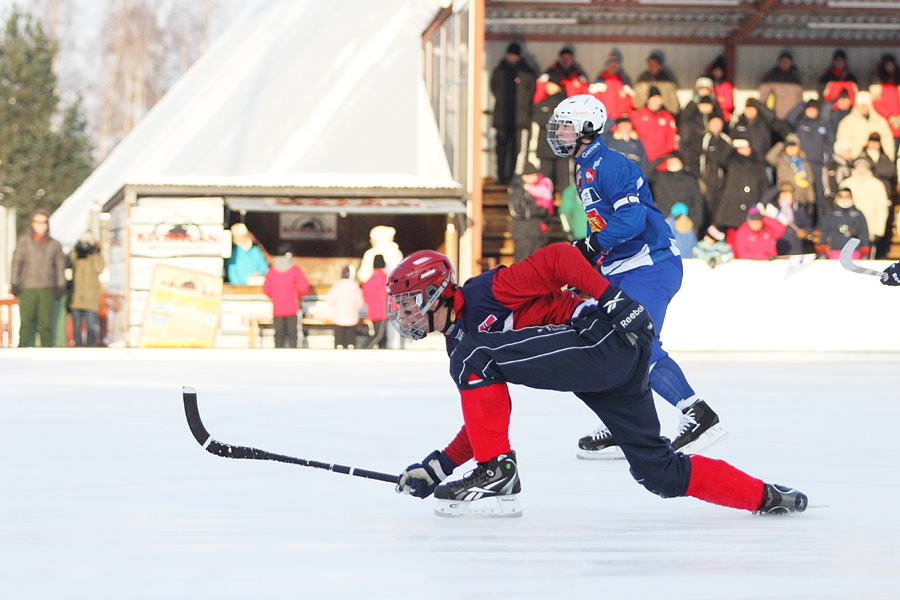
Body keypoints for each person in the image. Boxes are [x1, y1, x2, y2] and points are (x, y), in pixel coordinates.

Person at [388, 244, 807, 517]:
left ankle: (498, 473)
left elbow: (559, 259)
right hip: (613, 361)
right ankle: (767, 497)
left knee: (473, 355)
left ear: (438, 292)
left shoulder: (488, 293)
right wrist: (436, 468)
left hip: (605, 337)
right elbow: (484, 420)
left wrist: (616, 299)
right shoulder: (465, 350)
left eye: (407, 302)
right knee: (658, 473)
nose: (402, 313)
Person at [545, 95, 728, 459]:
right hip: (627, 268)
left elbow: (631, 220)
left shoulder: (612, 164)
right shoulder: (585, 168)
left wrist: (590, 245)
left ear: (587, 129)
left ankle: (698, 414)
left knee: (636, 343)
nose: (560, 132)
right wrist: (589, 262)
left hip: (651, 264)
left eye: (566, 125)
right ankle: (623, 425)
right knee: (608, 344)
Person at [10, 209, 66, 347]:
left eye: (44, 222)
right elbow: (16, 262)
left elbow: (60, 267)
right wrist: (14, 282)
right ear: (32, 224)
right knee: (26, 324)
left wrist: (60, 285)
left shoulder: (54, 245)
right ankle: (22, 352)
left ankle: (47, 353)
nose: (41, 225)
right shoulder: (24, 242)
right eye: (37, 222)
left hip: (47, 288)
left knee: (46, 324)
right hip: (28, 287)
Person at [490, 42, 537, 186]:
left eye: (513, 55)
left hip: (519, 118)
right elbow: (493, 87)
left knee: (516, 149)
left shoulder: (526, 71)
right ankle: (500, 176)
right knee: (501, 148)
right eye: (509, 54)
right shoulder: (500, 70)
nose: (510, 57)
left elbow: (532, 91)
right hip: (502, 117)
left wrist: (523, 105)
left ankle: (510, 175)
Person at [358, 225, 404, 349]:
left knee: (378, 330)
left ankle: (375, 349)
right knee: (393, 328)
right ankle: (394, 348)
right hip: (394, 299)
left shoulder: (371, 253)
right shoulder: (397, 253)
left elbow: (363, 276)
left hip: (377, 302)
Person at [529, 70, 570, 195]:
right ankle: (545, 207)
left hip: (564, 147)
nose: (547, 87)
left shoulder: (566, 102)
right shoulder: (543, 103)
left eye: (550, 84)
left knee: (564, 181)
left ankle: (565, 209)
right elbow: (537, 118)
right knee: (545, 181)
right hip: (545, 148)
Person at [840, 159, 892, 257]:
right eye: (859, 167)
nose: (861, 170)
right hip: (848, 231)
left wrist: (878, 231)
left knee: (867, 260)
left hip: (869, 230)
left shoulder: (877, 185)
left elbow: (881, 209)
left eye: (864, 167)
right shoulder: (846, 184)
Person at [262, 253, 310, 349]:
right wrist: (298, 296)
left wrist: (274, 297)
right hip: (292, 307)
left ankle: (278, 357)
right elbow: (305, 286)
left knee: (279, 334)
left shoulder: (271, 271)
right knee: (293, 335)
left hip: (277, 308)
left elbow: (266, 289)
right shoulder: (295, 270)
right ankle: (294, 357)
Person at [507, 162, 552, 262]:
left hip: (537, 232)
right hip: (523, 233)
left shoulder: (538, 188)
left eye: (536, 175)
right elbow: (517, 210)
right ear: (524, 176)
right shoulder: (517, 189)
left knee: (537, 263)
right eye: (531, 175)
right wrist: (538, 210)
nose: (534, 178)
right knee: (522, 262)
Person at [68, 231, 105, 347]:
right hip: (77, 296)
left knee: (91, 325)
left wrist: (93, 252)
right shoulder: (76, 255)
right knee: (77, 325)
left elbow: (100, 268)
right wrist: (78, 249)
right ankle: (77, 345)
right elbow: (70, 262)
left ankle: (90, 345)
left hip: (91, 297)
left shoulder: (96, 255)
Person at [816, 187, 870, 260]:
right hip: (835, 251)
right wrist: (822, 251)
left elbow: (863, 233)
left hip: (854, 252)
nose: (844, 199)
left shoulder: (858, 214)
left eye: (847, 196)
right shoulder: (830, 214)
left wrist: (865, 251)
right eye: (841, 196)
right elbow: (824, 232)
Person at [630, 86, 677, 171]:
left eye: (658, 99)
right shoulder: (637, 116)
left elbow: (672, 138)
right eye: (654, 98)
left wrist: (670, 157)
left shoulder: (667, 117)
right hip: (643, 162)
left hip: (662, 164)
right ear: (648, 100)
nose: (656, 102)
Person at [325, 265, 364, 350]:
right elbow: (360, 304)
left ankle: (339, 348)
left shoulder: (336, 286)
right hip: (352, 318)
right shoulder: (356, 287)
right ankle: (350, 347)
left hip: (338, 317)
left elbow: (330, 301)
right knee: (350, 340)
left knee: (339, 339)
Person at [589, 49, 633, 121]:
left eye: (614, 64)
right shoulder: (598, 83)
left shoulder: (624, 83)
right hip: (603, 122)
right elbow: (592, 105)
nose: (612, 67)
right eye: (610, 64)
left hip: (620, 124)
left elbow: (629, 105)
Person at [758, 50, 804, 120]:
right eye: (783, 61)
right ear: (778, 62)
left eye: (787, 61)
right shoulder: (770, 78)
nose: (785, 63)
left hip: (792, 117)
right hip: (775, 118)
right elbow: (762, 100)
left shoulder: (796, 79)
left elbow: (800, 100)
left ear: (791, 63)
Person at [869, 53, 900, 156]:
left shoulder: (897, 81)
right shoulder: (877, 82)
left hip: (897, 123)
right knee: (887, 150)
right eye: (887, 65)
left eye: (891, 65)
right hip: (884, 122)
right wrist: (889, 116)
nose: (890, 67)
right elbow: (876, 102)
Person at [633, 50, 680, 116]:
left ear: (660, 66)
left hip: (664, 114)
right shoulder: (642, 79)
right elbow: (637, 101)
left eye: (653, 64)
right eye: (649, 64)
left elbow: (673, 103)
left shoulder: (667, 80)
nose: (650, 66)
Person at [361, 254, 389, 349]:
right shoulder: (386, 279)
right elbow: (391, 294)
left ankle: (382, 352)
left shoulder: (369, 280)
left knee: (382, 336)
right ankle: (364, 349)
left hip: (372, 311)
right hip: (383, 312)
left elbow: (365, 295)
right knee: (379, 335)